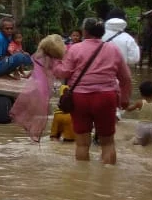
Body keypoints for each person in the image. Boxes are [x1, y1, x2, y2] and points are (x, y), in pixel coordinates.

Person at [54, 18, 131, 164]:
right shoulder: (113, 49)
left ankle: (83, 181)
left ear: (85, 32)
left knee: (82, 143)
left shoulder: (75, 49)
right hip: (106, 97)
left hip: (79, 98)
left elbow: (63, 72)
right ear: (102, 32)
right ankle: (107, 181)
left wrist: (55, 62)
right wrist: (125, 98)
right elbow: (125, 78)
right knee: (107, 143)